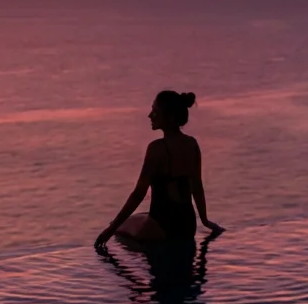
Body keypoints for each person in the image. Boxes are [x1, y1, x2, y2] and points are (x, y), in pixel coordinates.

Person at [95, 90, 224, 249]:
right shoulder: (192, 144)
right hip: (188, 226)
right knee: (138, 217)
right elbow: (197, 187)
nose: (150, 116)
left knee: (119, 228)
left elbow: (138, 194)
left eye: (155, 112)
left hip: (161, 228)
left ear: (168, 117)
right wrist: (204, 221)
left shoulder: (157, 149)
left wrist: (110, 230)